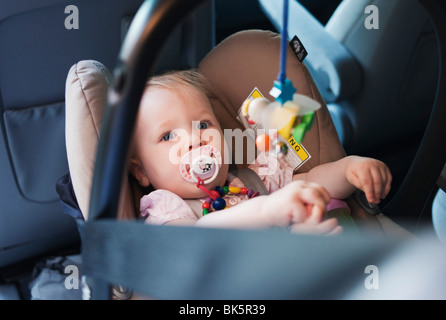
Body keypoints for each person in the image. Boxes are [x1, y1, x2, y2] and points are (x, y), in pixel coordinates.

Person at [129, 70, 392, 235]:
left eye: (203, 125)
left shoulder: (250, 181)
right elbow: (196, 241)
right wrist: (267, 211)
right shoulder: (167, 210)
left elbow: (311, 184)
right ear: (141, 171)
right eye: (167, 136)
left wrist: (347, 170)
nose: (194, 140)